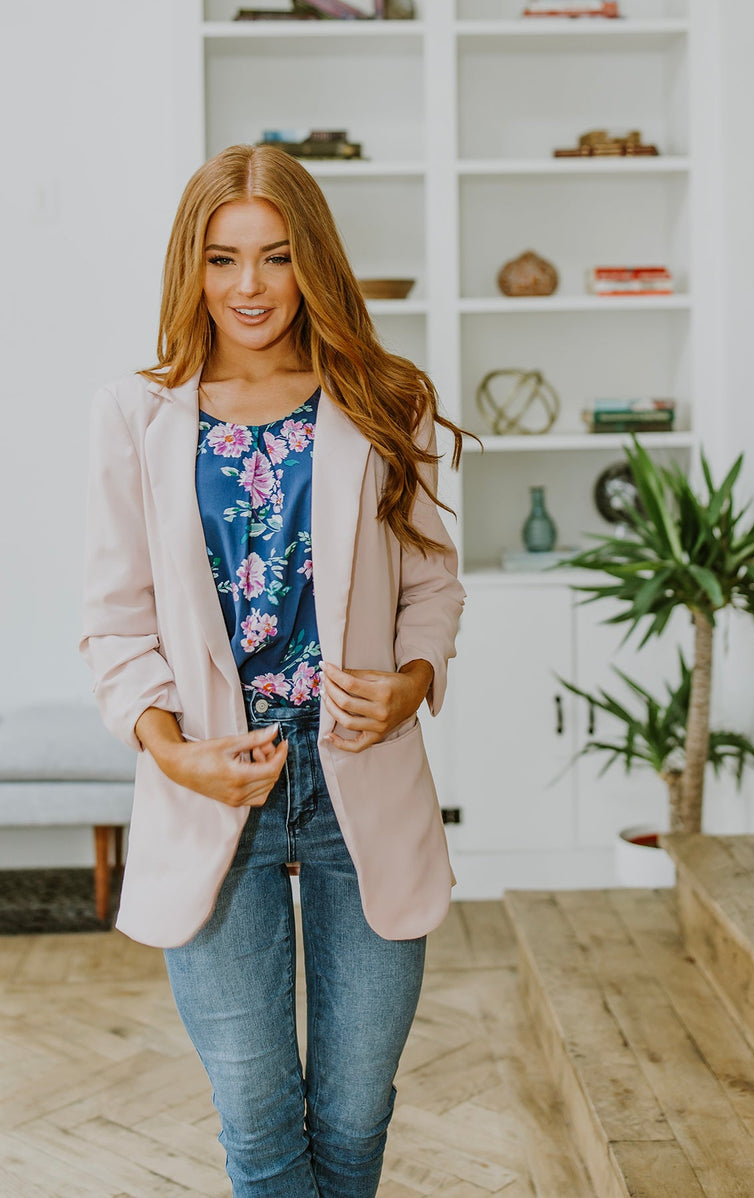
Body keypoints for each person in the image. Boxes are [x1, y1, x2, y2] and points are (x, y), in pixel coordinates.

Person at [78, 142, 467, 1197]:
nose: (247, 287)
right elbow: (116, 625)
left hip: (360, 780)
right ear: (190, 270)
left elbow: (433, 586)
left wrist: (411, 682)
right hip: (215, 784)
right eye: (222, 258)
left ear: (313, 264)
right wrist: (173, 753)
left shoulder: (387, 399)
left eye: (274, 256)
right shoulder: (135, 416)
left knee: (350, 1120)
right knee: (257, 1127)